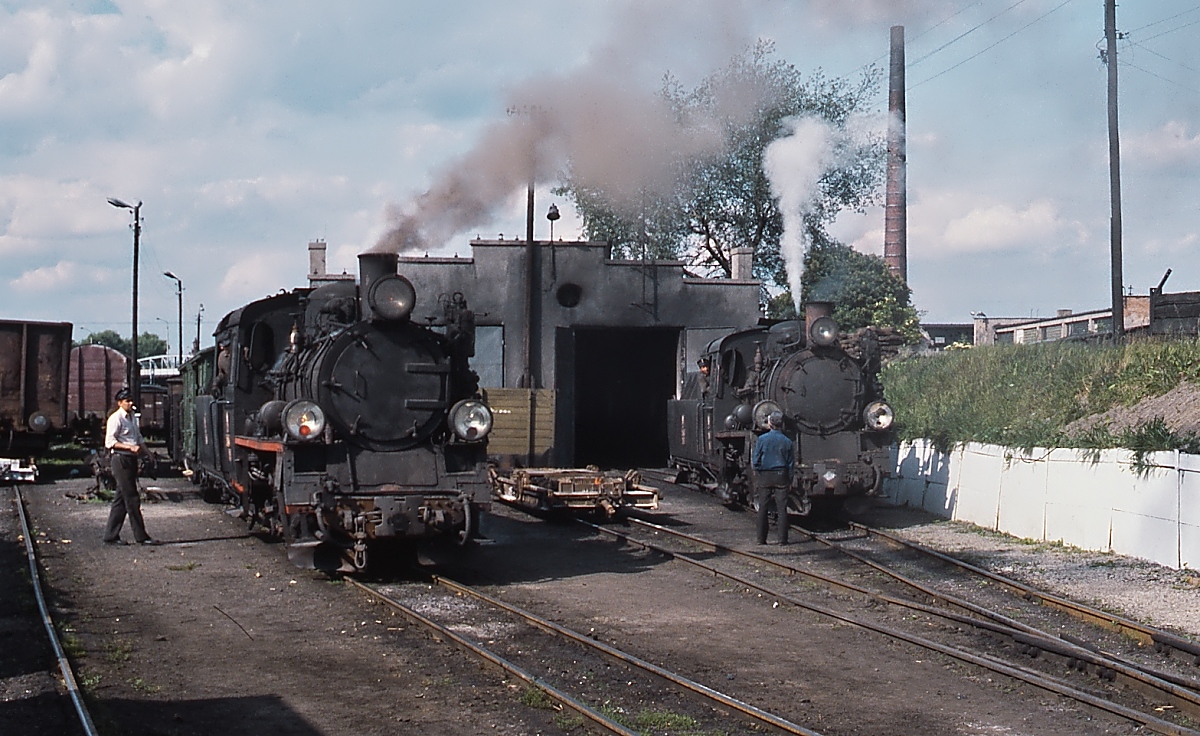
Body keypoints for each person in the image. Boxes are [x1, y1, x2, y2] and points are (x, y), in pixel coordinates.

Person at [103, 388, 157, 545]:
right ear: (119, 403)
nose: (131, 403)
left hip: (131, 459)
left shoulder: (132, 416)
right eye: (127, 401)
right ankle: (141, 537)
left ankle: (110, 536)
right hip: (121, 460)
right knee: (132, 498)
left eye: (131, 400)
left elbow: (137, 437)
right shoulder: (116, 419)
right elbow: (109, 442)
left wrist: (148, 453)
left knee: (121, 499)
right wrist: (129, 448)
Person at [752, 411, 793, 545]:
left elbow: (756, 460)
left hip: (765, 475)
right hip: (781, 475)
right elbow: (791, 464)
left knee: (763, 507)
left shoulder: (762, 439)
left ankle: (761, 539)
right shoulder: (787, 441)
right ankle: (782, 540)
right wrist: (789, 479)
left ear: (769, 423)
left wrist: (760, 471)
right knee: (782, 508)